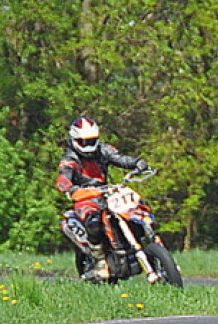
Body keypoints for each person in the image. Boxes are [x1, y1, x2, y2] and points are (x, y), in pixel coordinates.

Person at [56, 116, 150, 281]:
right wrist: (68, 187)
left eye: (92, 140)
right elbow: (64, 177)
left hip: (107, 193)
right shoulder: (70, 159)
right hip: (85, 198)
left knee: (136, 207)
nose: (88, 145)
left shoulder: (103, 150)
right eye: (84, 142)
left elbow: (120, 159)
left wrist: (137, 163)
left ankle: (145, 241)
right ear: (75, 140)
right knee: (94, 221)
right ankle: (100, 261)